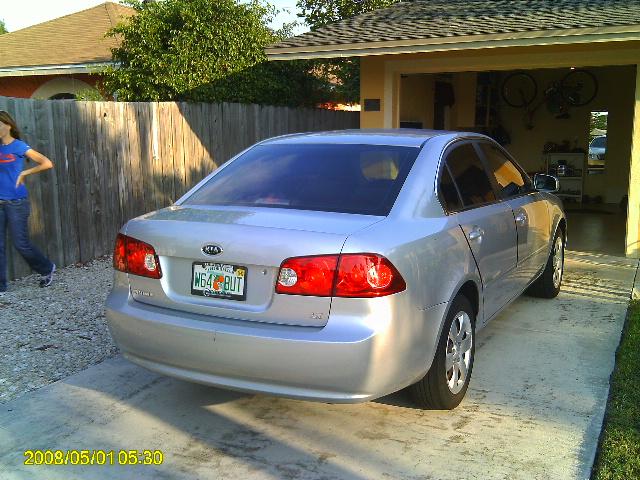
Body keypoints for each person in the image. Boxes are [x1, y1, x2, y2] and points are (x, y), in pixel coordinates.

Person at [0, 111, 55, 295]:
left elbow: (46, 163)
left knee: (21, 243)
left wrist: (24, 173)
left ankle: (47, 268)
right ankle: (1, 285)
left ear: (8, 125)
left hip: (16, 203)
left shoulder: (19, 146)